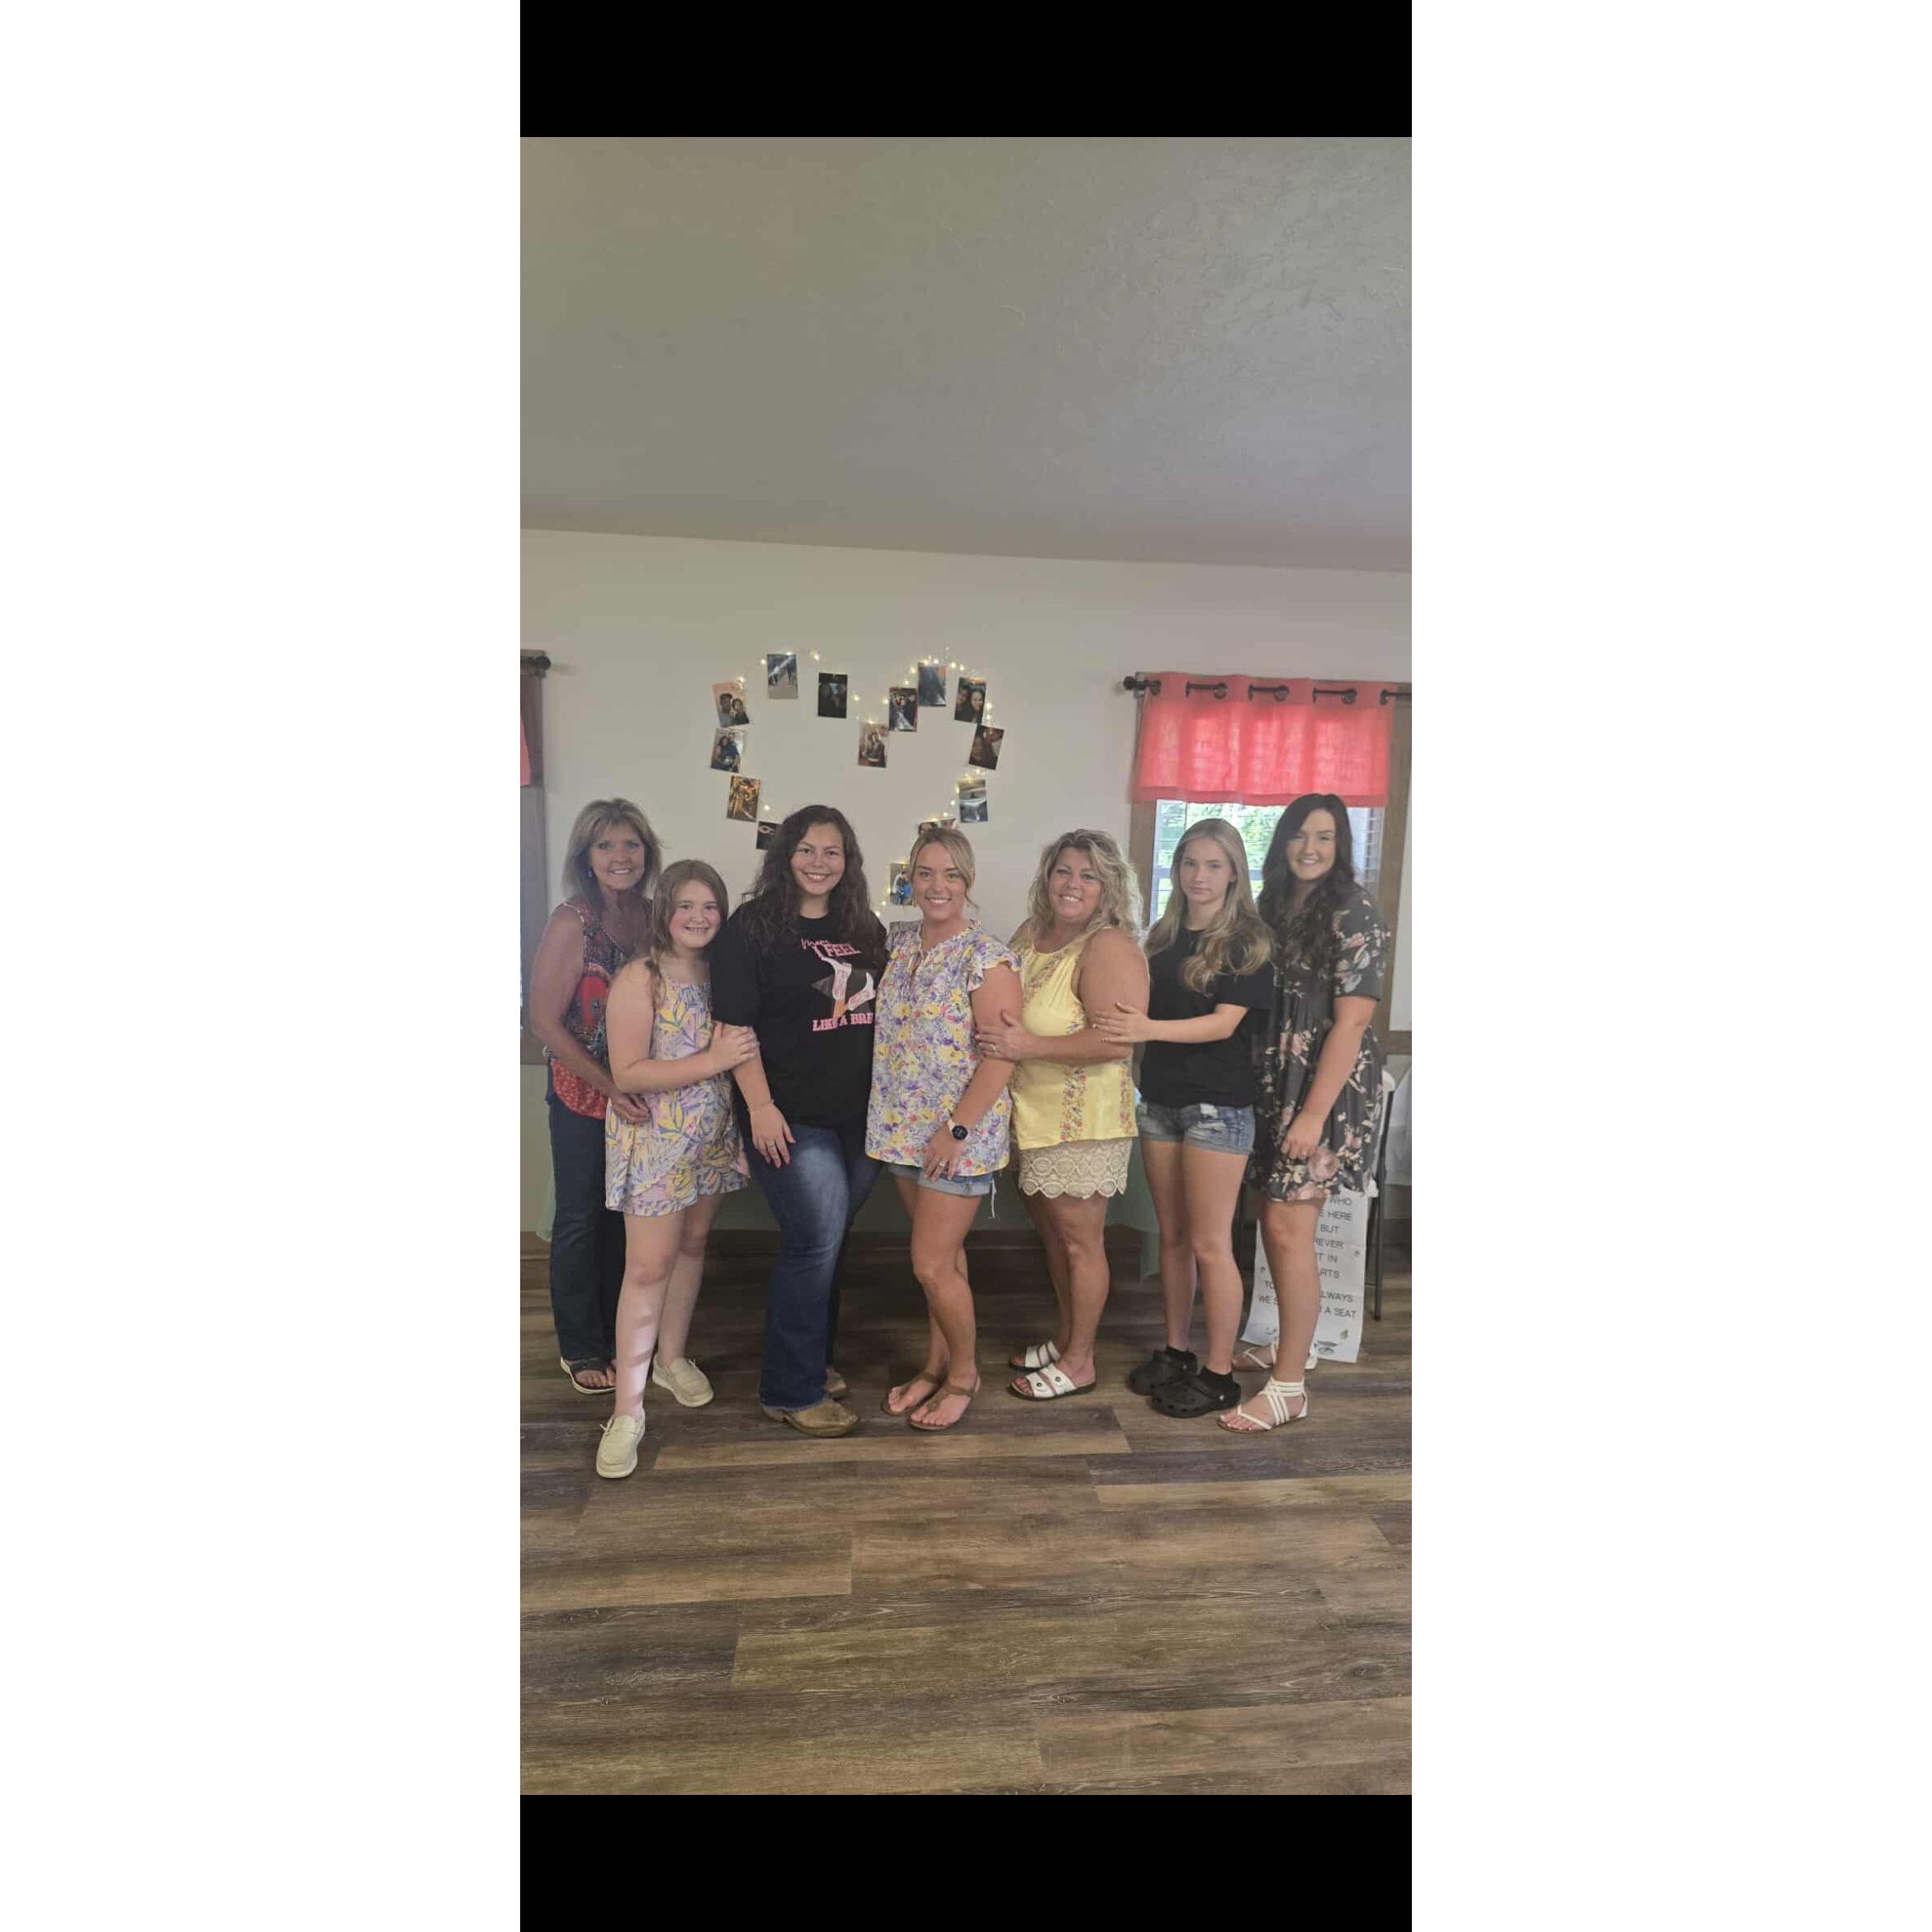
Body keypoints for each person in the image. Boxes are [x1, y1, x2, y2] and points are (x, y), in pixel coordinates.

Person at [709, 805, 888, 1437]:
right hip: (787, 1116)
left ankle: (812, 1361)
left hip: (858, 1119)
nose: (819, 862)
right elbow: (734, 1029)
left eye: (832, 851)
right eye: (806, 849)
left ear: (848, 861)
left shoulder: (863, 927)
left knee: (830, 1239)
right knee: (814, 1240)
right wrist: (759, 1108)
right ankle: (790, 1389)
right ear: (786, 855)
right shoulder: (752, 927)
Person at [1096, 820, 1274, 1418]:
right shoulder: (1163, 936)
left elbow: (1224, 1024)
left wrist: (1147, 1029)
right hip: (1160, 1102)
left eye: (1214, 865)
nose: (1200, 876)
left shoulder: (1248, 941)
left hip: (1217, 1109)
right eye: (1190, 863)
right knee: (1170, 1237)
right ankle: (1176, 1352)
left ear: (1234, 873)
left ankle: (1219, 1372)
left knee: (1209, 1243)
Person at [1226, 794, 1390, 1433]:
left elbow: (1351, 1025)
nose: (1310, 848)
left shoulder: (1355, 909)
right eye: (1299, 835)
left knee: (1288, 1227)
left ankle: (1289, 1387)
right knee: (1274, 1225)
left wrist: (1311, 1117)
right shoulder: (1274, 905)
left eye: (1324, 836)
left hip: (1325, 1092)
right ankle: (1291, 1345)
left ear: (1341, 844)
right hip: (1275, 1083)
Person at [594, 861, 760, 1478]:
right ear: (664, 909)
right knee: (647, 1267)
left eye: (709, 906)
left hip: (710, 1136)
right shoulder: (641, 977)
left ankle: (672, 1358)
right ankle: (627, 1411)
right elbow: (629, 1071)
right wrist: (712, 1059)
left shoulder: (724, 973)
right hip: (657, 1141)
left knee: (692, 1246)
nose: (698, 917)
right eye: (686, 905)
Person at [975, 831, 1148, 1400]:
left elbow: (1117, 1041)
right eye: (1063, 872)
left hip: (1083, 1122)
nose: (1073, 885)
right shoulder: (1032, 933)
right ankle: (1068, 1336)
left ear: (1108, 886)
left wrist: (1028, 1046)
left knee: (1079, 1243)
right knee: (1053, 1237)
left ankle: (1081, 1362)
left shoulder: (1108, 946)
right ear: (1047, 878)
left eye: (1089, 875)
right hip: (1032, 1117)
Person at [865, 829, 1020, 1432]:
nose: (937, 886)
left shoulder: (987, 957)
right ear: (909, 880)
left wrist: (954, 1131)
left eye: (951, 874)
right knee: (945, 1261)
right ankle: (935, 1366)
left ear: (968, 882)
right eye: (926, 873)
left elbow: (1001, 1059)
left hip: (956, 1137)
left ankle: (963, 1375)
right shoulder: (898, 942)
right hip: (902, 1127)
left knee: (930, 1265)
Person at [528, 799, 661, 1394]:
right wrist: (612, 1086)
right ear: (586, 856)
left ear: (647, 853)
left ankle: (617, 1333)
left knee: (621, 1215)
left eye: (631, 844)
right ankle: (581, 1345)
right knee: (581, 1216)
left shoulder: (654, 918)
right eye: (605, 845)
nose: (620, 856)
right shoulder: (572, 921)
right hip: (583, 1094)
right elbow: (543, 1021)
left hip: (640, 1095)